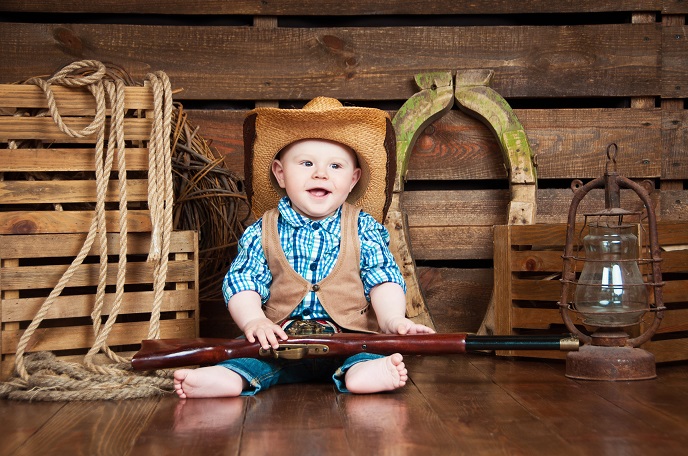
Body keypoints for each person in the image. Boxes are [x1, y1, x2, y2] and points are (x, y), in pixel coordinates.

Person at [174, 97, 434, 398]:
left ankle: (364, 372)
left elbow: (383, 278)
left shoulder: (363, 228)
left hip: (349, 338)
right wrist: (254, 320)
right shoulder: (262, 231)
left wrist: (392, 319)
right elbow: (243, 281)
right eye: (307, 163)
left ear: (353, 180)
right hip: (280, 342)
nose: (320, 174)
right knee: (250, 360)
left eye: (335, 166)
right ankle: (229, 377)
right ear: (281, 173)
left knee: (366, 355)